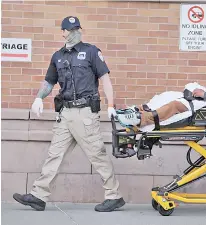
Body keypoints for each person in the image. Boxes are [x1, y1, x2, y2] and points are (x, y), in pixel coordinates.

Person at [12, 16, 125, 212]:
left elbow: (105, 80)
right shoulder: (58, 56)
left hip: (85, 113)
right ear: (63, 32)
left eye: (76, 29)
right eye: (69, 30)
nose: (73, 32)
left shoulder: (91, 52)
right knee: (54, 155)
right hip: (65, 114)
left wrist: (111, 105)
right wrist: (38, 98)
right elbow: (49, 82)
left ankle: (114, 195)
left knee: (97, 155)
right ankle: (39, 195)